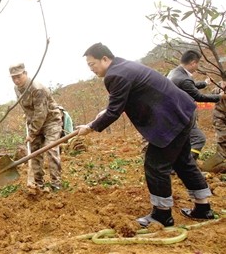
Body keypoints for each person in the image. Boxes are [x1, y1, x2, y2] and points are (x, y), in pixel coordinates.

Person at [76, 43, 216, 227]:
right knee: (183, 162)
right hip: (182, 112)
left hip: (170, 120)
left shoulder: (114, 75)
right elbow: (120, 101)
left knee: (155, 166)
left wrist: (91, 127)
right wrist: (101, 115)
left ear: (105, 59)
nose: (91, 69)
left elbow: (114, 111)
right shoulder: (124, 66)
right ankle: (203, 208)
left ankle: (162, 215)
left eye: (92, 64)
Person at [9, 63, 63, 191]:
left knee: (51, 149)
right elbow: (28, 108)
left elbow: (41, 113)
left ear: (25, 73)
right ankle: (38, 183)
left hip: (51, 121)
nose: (16, 80)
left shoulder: (37, 89)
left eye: (18, 76)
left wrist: (32, 133)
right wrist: (28, 117)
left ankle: (56, 183)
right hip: (34, 122)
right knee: (34, 152)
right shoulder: (17, 89)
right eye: (13, 78)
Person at [167, 50, 222, 160]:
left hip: (174, 114)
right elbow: (199, 97)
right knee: (199, 139)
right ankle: (187, 166)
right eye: (197, 64)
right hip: (182, 116)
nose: (197, 67)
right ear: (193, 63)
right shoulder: (184, 79)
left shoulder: (175, 72)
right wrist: (220, 97)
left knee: (183, 142)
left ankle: (178, 165)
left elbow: (189, 86)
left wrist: (205, 83)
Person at [201, 79, 226, 173]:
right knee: (223, 138)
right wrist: (220, 94)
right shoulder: (218, 87)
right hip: (220, 117)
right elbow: (212, 94)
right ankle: (219, 159)